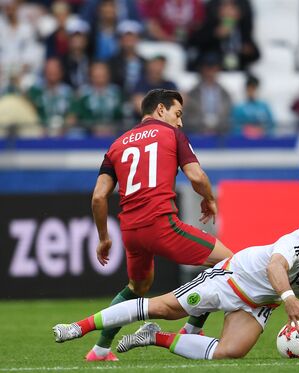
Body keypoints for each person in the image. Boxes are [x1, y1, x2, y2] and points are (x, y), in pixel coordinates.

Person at [53, 210, 299, 359]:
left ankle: (154, 337)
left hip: (261, 302)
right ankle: (79, 326)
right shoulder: (298, 242)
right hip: (232, 278)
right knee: (161, 306)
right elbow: (277, 266)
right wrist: (289, 297)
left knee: (230, 353)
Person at [81, 88, 233, 361]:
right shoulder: (171, 134)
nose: (181, 121)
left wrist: (104, 237)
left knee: (137, 287)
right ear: (160, 110)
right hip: (162, 226)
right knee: (228, 264)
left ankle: (100, 350)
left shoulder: (117, 145)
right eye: (178, 113)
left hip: (130, 232)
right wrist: (209, 198)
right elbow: (196, 176)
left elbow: (98, 197)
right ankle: (191, 330)